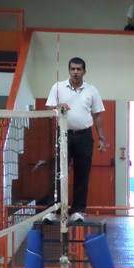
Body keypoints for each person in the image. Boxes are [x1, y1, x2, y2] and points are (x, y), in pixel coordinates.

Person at [45, 57, 106, 223]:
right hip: (63, 135)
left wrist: (102, 137)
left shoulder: (92, 90)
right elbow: (50, 106)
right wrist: (59, 107)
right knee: (58, 172)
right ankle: (54, 209)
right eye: (72, 69)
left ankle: (78, 210)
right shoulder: (57, 87)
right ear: (69, 70)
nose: (75, 72)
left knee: (82, 174)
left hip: (84, 136)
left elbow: (97, 115)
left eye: (79, 69)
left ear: (84, 71)